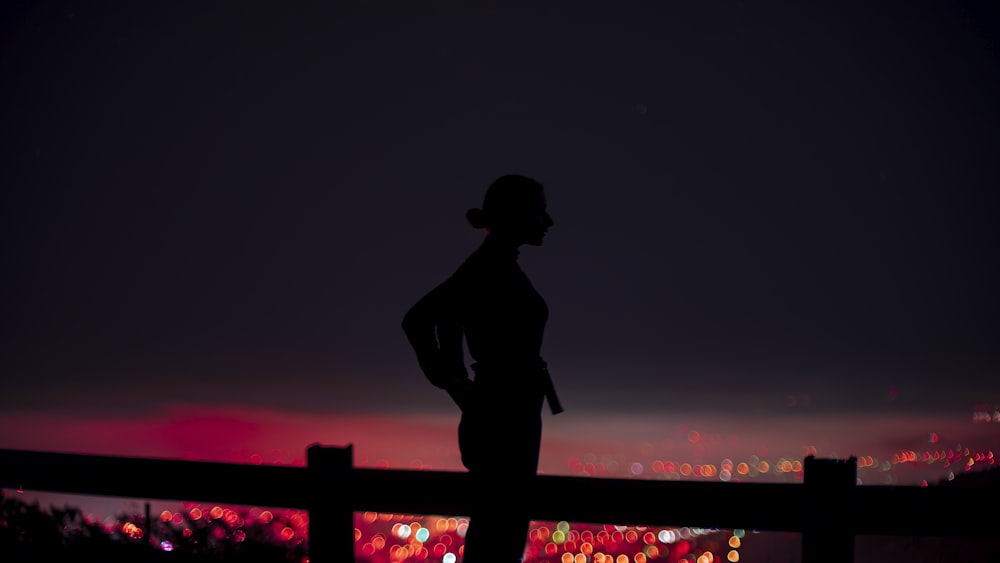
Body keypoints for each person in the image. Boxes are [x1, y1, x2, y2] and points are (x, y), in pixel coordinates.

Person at [402, 174, 562, 563]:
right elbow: (421, 319)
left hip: (510, 408)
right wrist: (455, 382)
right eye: (540, 211)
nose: (549, 221)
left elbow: (444, 318)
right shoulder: (489, 266)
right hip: (503, 412)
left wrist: (459, 381)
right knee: (499, 531)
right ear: (517, 214)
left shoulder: (496, 265)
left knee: (500, 527)